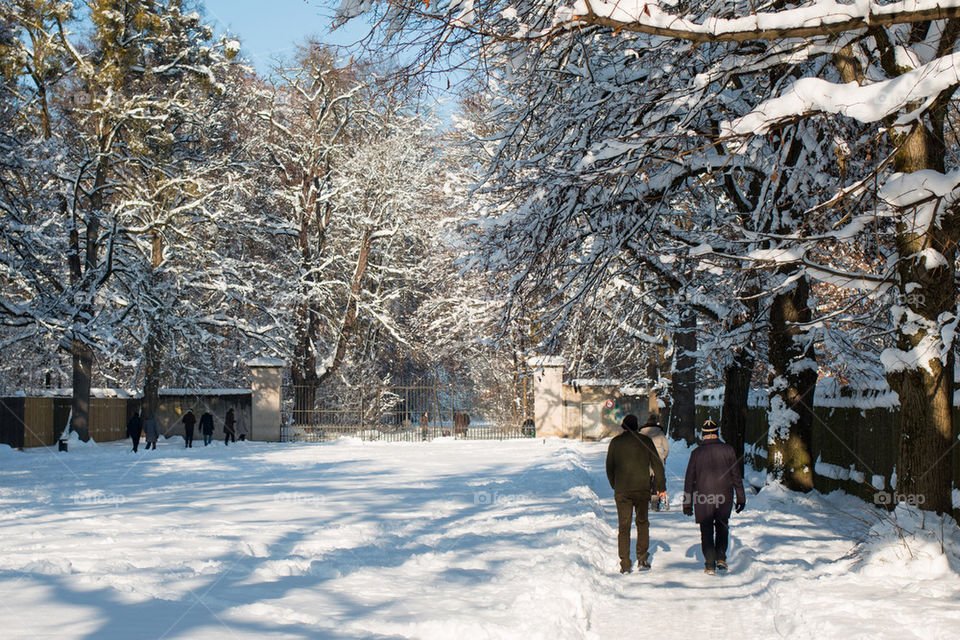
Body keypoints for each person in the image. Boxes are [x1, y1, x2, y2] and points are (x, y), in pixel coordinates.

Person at [683, 419, 746, 575]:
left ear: (703, 435)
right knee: (722, 526)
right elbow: (736, 476)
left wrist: (687, 503)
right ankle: (721, 558)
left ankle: (709, 563)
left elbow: (689, 478)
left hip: (703, 498)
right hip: (725, 496)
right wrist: (741, 497)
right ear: (717, 433)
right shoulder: (728, 450)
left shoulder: (696, 453)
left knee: (706, 529)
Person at [606, 414, 667, 573]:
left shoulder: (615, 443)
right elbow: (657, 465)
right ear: (636, 427)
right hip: (642, 489)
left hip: (622, 491)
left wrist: (615, 485)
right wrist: (661, 486)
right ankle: (642, 558)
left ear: (623, 427)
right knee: (642, 523)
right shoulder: (645, 441)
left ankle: (625, 563)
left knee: (624, 527)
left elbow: (609, 468)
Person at [640, 415, 670, 511]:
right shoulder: (660, 433)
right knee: (657, 480)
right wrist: (663, 456)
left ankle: (646, 500)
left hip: (645, 458)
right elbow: (666, 448)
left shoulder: (642, 433)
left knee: (646, 480)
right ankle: (655, 503)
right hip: (658, 458)